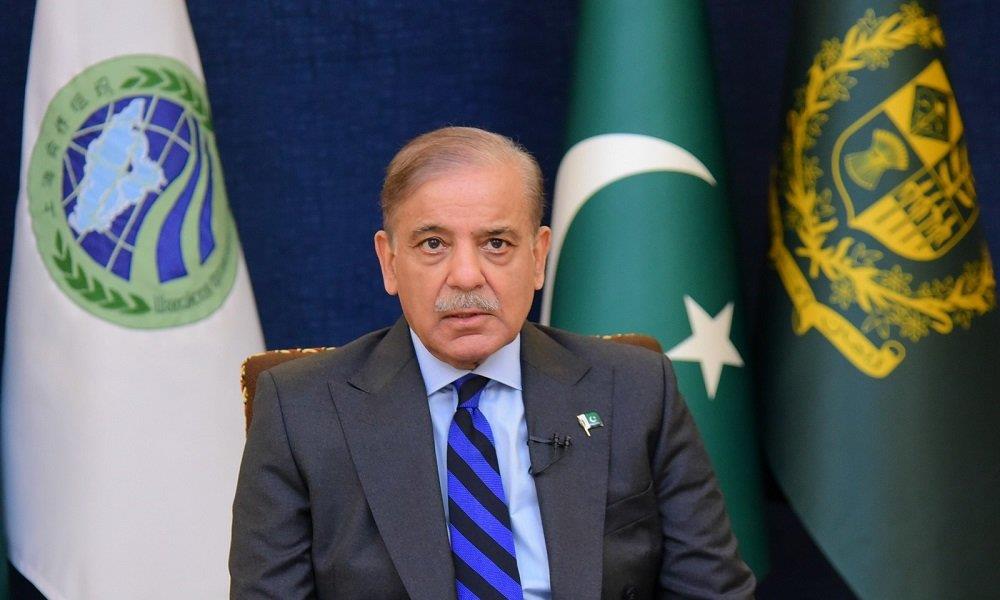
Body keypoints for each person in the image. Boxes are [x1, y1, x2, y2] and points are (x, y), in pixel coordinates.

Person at [229, 127, 755, 599]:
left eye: (496, 243)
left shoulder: (634, 388)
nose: (466, 275)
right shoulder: (302, 411)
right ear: (389, 261)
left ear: (538, 257)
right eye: (433, 244)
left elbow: (714, 589)